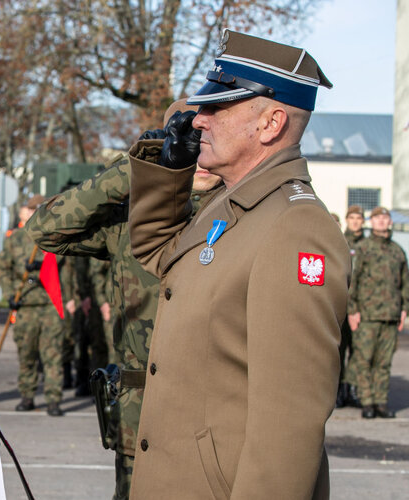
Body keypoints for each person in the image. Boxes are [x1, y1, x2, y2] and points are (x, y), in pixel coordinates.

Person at [125, 31, 347, 498]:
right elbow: (156, 253)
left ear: (271, 124)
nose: (197, 120)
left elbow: (289, 423)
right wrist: (170, 170)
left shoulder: (295, 227)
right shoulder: (232, 206)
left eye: (216, 108)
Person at [25, 99, 223, 499]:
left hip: (215, 415)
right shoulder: (129, 219)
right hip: (139, 417)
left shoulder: (241, 214)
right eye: (184, 142)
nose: (197, 154)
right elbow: (45, 230)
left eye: (205, 140)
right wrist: (134, 169)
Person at [0, 194, 72, 416]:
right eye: (30, 210)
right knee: (27, 354)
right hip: (25, 305)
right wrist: (11, 293)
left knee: (52, 356)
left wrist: (70, 299)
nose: (32, 214)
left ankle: (53, 399)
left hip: (49, 304)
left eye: (36, 210)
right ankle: (27, 396)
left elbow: (65, 268)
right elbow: (4, 268)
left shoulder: (52, 238)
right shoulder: (15, 239)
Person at [347, 206, 406, 419]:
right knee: (364, 360)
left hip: (390, 315)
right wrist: (352, 311)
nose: (381, 221)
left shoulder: (398, 251)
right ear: (371, 222)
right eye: (377, 218)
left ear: (390, 222)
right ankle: (367, 402)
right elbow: (352, 281)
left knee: (384, 362)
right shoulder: (362, 248)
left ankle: (381, 402)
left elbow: (405, 283)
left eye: (385, 217)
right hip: (367, 316)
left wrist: (404, 309)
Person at [338, 204, 365, 407]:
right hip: (341, 304)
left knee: (358, 352)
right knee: (338, 350)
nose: (355, 222)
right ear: (347, 220)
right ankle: (338, 390)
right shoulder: (339, 240)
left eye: (359, 218)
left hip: (363, 308)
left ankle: (352, 389)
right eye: (352, 218)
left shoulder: (369, 244)